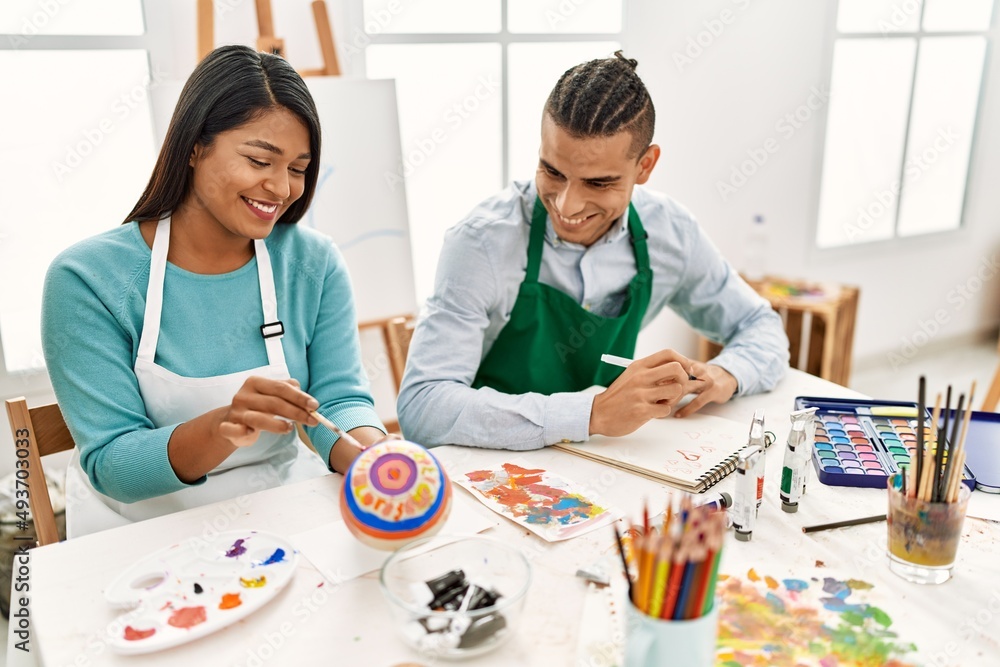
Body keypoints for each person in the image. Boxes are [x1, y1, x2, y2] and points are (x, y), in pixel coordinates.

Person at [41, 45, 387, 538]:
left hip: (277, 516)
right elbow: (113, 462)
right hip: (140, 535)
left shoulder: (313, 263)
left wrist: (371, 453)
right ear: (194, 146)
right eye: (259, 160)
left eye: (297, 168)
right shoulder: (86, 279)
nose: (281, 187)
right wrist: (223, 425)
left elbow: (336, 399)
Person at [397, 52, 789, 450]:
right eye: (552, 171)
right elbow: (422, 408)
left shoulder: (671, 233)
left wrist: (727, 373)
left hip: (603, 464)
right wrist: (592, 413)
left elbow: (761, 327)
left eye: (598, 183)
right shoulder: (482, 243)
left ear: (646, 166)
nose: (567, 206)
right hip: (490, 466)